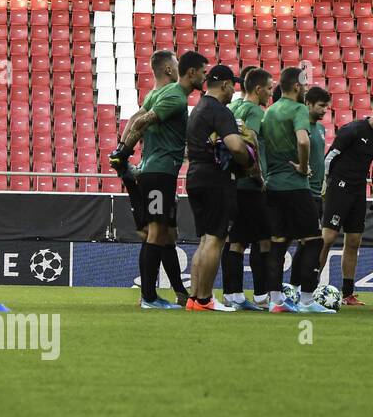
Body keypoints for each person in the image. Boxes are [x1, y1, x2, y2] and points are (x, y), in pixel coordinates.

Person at [109, 50, 207, 309]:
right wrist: (123, 153)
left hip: (158, 171)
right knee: (155, 233)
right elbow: (142, 121)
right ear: (169, 70)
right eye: (174, 64)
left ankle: (179, 292)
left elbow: (133, 118)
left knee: (167, 234)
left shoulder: (154, 94)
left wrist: (121, 147)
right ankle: (149, 297)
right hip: (158, 173)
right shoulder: (173, 96)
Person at [260, 68, 330, 314]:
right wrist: (302, 165)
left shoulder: (269, 112)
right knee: (313, 240)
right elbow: (303, 140)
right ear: (298, 87)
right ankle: (307, 301)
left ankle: (276, 301)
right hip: (295, 186)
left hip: (274, 186)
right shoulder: (298, 109)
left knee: (278, 243)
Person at [320, 98, 373, 306]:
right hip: (339, 187)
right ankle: (310, 287)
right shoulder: (352, 130)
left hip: (357, 191)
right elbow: (330, 157)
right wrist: (325, 183)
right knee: (328, 237)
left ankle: (347, 294)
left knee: (354, 241)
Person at [184, 65, 252, 311]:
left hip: (195, 176)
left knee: (204, 240)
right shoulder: (219, 111)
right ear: (224, 84)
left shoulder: (198, 108)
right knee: (215, 239)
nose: (233, 90)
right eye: (232, 85)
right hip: (215, 180)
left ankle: (194, 298)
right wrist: (248, 160)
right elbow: (235, 146)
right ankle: (205, 299)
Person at [225, 67, 272, 310]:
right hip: (251, 185)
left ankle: (232, 294)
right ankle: (262, 296)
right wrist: (259, 176)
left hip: (232, 183)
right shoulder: (254, 110)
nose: (270, 93)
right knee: (263, 240)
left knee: (235, 241)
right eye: (269, 88)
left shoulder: (232, 108)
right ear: (257, 88)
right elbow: (250, 140)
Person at [303, 87, 333, 298]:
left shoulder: (321, 129)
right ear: (308, 104)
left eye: (326, 106)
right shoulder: (300, 126)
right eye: (321, 105)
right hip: (302, 192)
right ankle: (300, 291)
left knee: (313, 243)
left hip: (316, 194)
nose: (324, 110)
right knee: (308, 242)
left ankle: (304, 291)